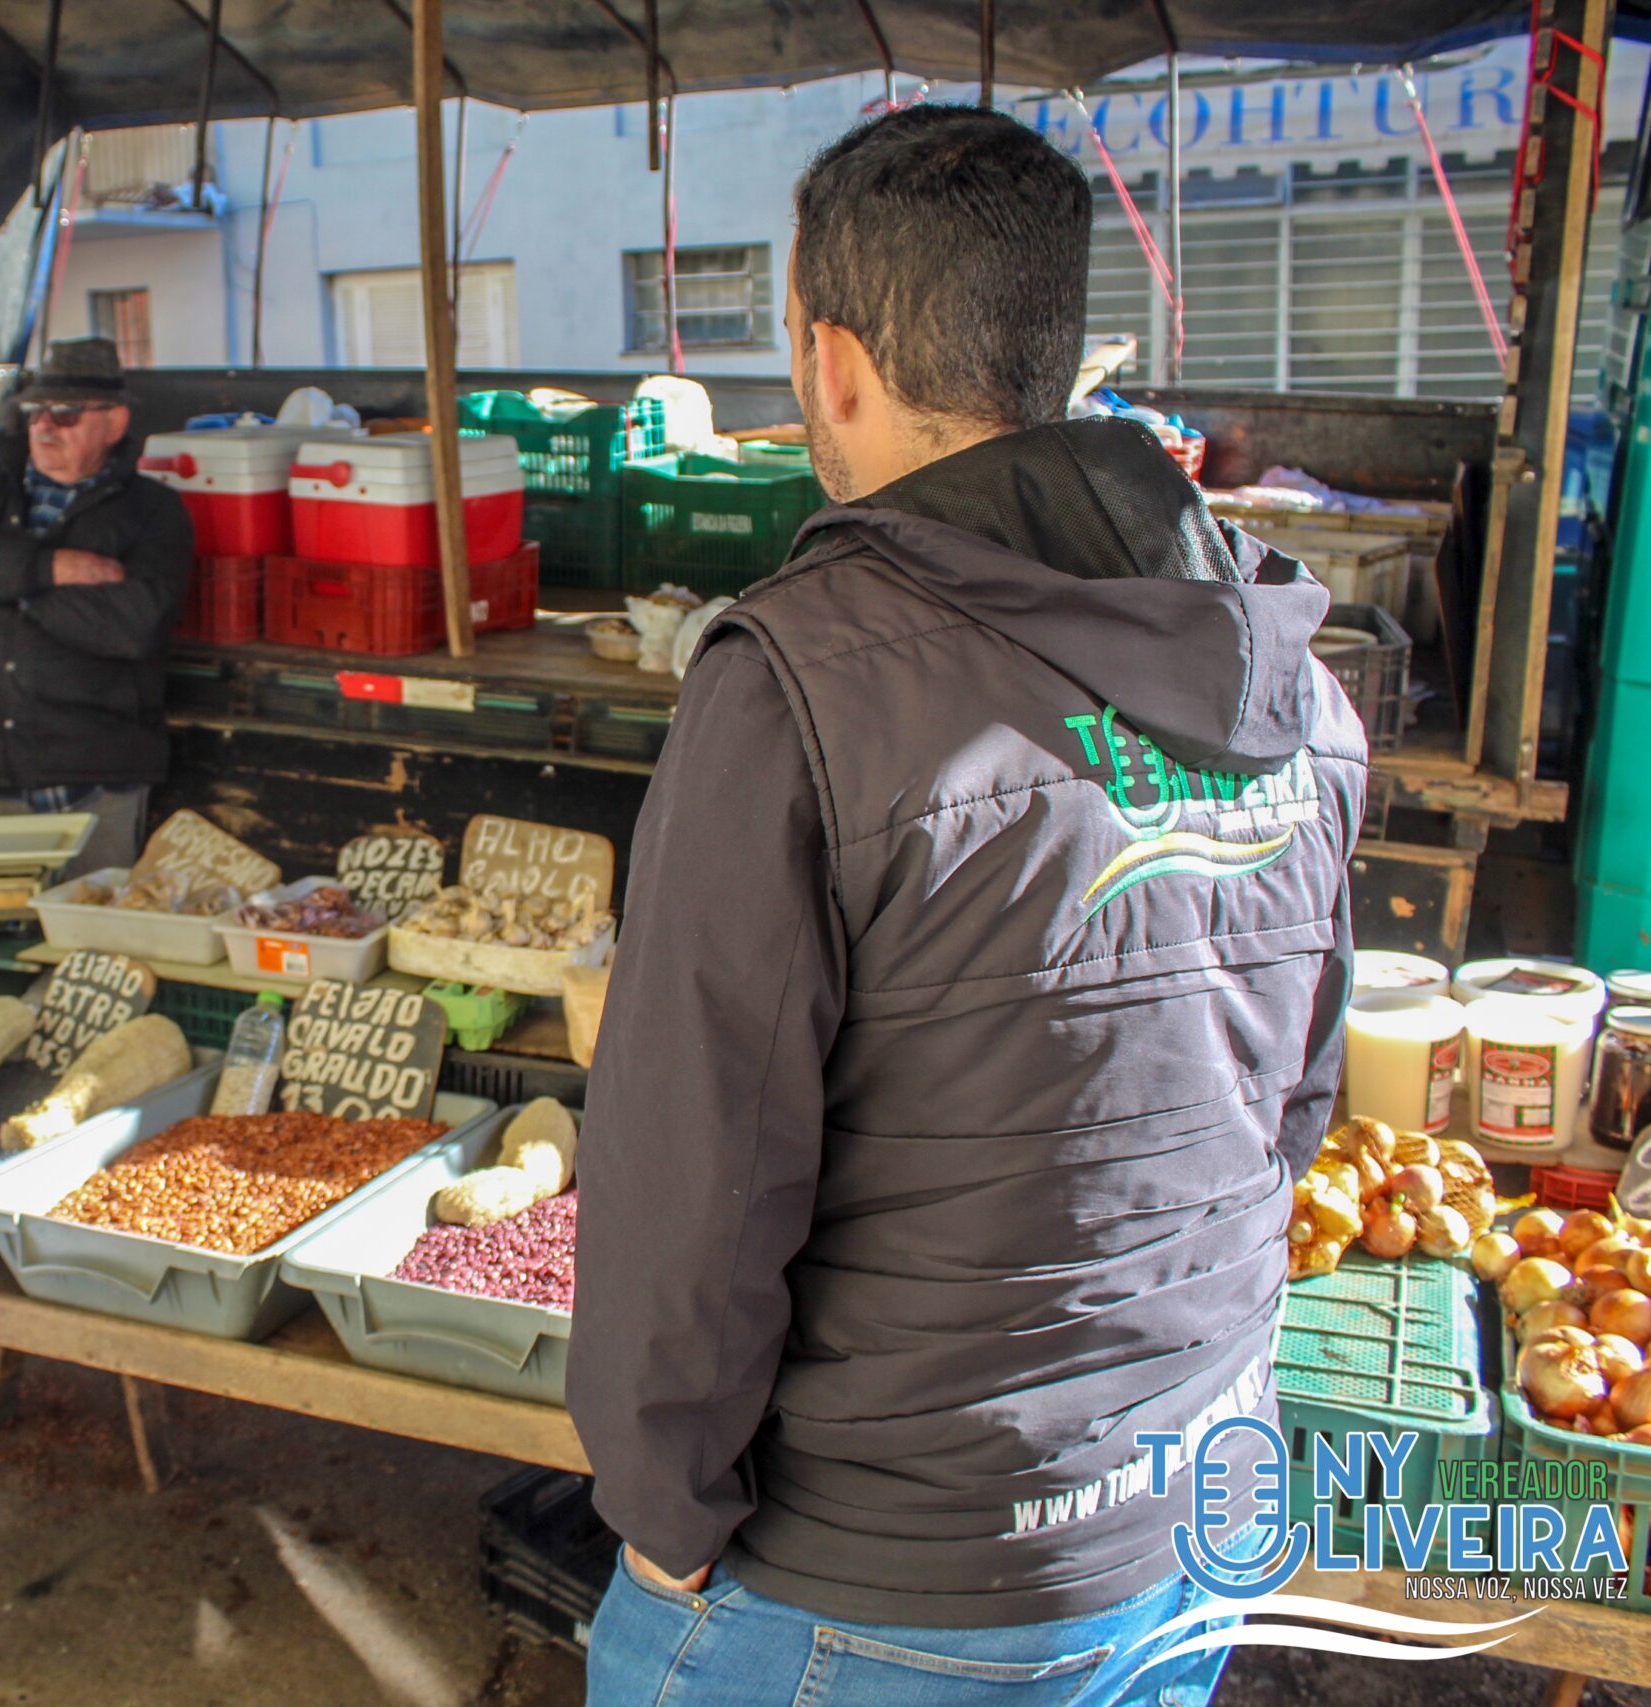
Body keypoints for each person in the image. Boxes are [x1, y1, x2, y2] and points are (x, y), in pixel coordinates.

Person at [569, 105, 1365, 1707]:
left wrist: (663, 1510)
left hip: (882, 1583)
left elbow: (691, 1173)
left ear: (831, 360)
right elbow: (1295, 1106)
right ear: (1055, 348)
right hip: (1185, 1520)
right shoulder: (1293, 672)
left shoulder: (797, 680)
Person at [0, 337, 194, 877]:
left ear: (113, 424)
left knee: (88, 947)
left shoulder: (153, 512)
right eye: (36, 412)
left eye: (65, 414)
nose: (45, 426)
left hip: (96, 782)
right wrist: (50, 570)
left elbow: (133, 625)